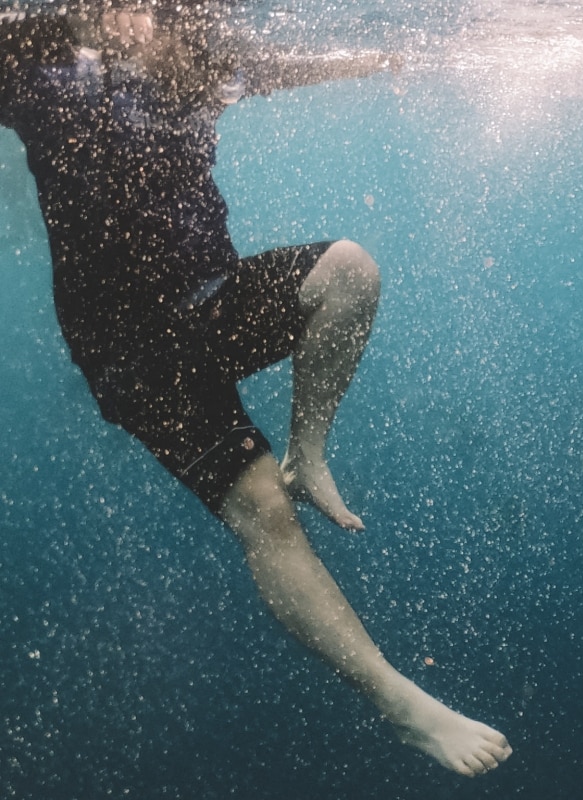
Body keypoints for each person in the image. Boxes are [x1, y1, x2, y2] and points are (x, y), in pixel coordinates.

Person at [0, 2, 511, 776]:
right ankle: (399, 701)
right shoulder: (26, 59)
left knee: (349, 271)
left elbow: (283, 65)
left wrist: (375, 57)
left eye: (146, 5)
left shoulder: (196, 54)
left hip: (214, 301)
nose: (127, 18)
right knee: (260, 509)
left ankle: (310, 452)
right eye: (109, 4)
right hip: (131, 352)